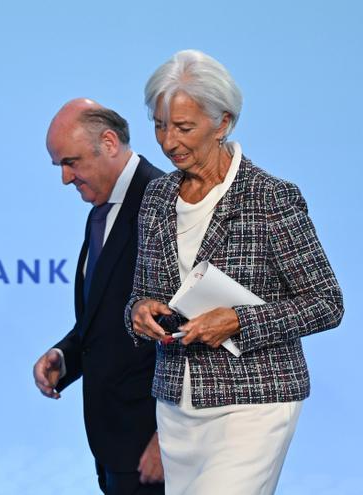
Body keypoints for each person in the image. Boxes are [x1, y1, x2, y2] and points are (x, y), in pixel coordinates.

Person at [126, 49, 344, 494]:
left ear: (222, 122)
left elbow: (327, 303)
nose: (168, 141)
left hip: (254, 401)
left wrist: (238, 321)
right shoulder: (156, 197)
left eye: (183, 127)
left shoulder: (270, 197)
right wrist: (139, 311)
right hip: (177, 404)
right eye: (160, 125)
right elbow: (141, 293)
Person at [33, 98, 165, 495]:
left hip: (157, 449)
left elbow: (186, 328)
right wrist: (66, 356)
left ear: (109, 143)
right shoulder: (100, 211)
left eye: (70, 162)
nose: (65, 178)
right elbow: (107, 316)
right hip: (115, 447)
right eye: (59, 166)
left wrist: (171, 434)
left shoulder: (163, 203)